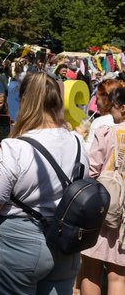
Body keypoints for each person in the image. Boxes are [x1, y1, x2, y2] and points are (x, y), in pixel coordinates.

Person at [0, 72, 88, 294]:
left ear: (24, 102)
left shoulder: (14, 149)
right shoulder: (78, 143)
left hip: (18, 248)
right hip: (64, 244)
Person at [80, 86, 125, 295]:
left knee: (91, 269)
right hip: (124, 215)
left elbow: (92, 169)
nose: (111, 112)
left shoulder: (106, 132)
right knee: (118, 276)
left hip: (103, 206)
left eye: (113, 108)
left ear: (122, 108)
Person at [83, 79, 122, 151]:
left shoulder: (99, 122)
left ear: (106, 100)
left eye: (97, 98)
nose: (95, 102)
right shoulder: (121, 119)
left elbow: (89, 152)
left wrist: (79, 137)